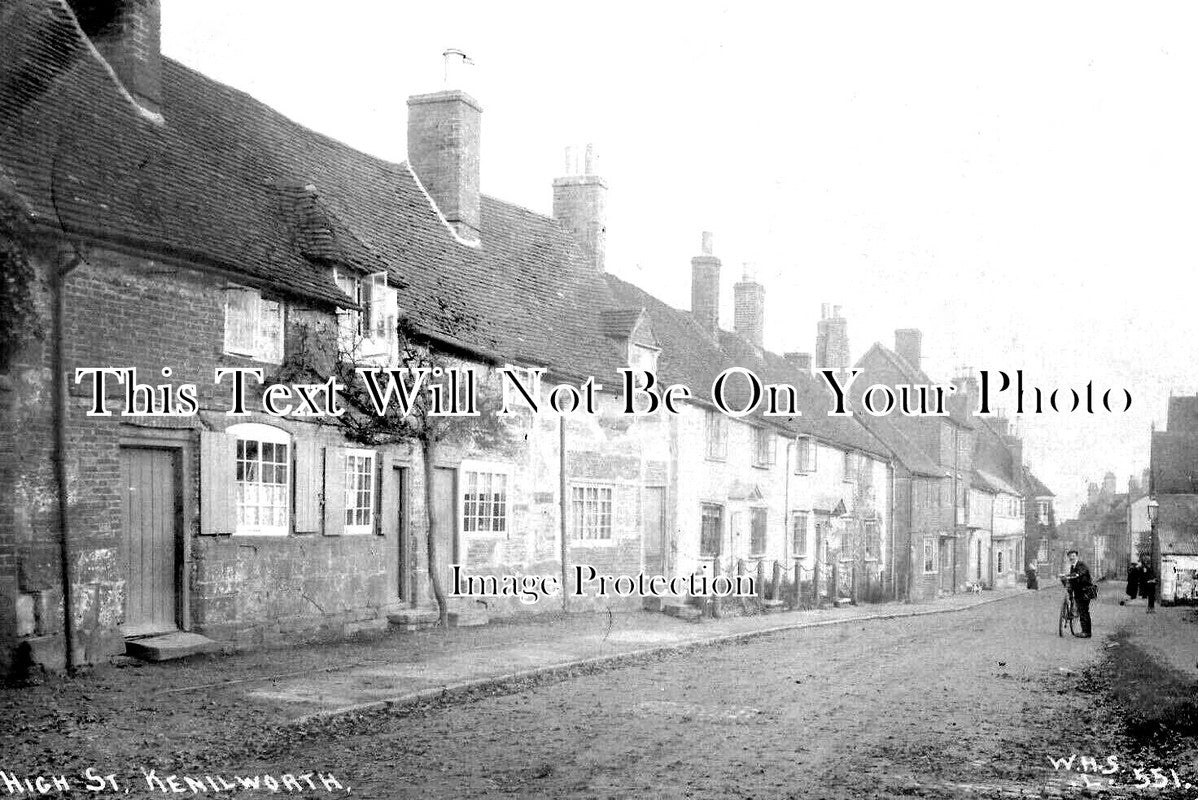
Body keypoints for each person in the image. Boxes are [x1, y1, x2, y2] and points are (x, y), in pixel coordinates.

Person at [1066, 549, 1093, 637]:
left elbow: (1082, 572)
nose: (1071, 558)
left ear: (1077, 556)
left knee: (1084, 611)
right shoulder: (1072, 567)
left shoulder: (1081, 564)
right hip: (1079, 591)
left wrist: (1077, 574)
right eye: (1070, 556)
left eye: (1073, 556)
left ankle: (1086, 632)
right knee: (1082, 611)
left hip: (1085, 591)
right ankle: (1085, 631)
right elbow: (1072, 578)